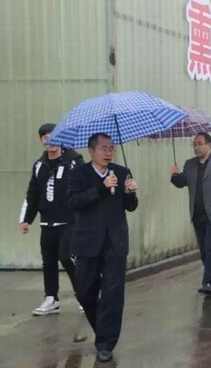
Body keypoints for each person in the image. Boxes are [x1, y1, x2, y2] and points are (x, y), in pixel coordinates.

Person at [67, 133, 138, 362]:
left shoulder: (122, 172)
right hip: (87, 242)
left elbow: (131, 206)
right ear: (91, 151)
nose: (109, 153)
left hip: (115, 242)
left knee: (113, 293)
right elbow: (73, 203)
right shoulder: (78, 174)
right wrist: (101, 187)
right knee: (84, 291)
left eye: (111, 149)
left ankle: (106, 343)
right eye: (104, 149)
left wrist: (130, 192)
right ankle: (103, 328)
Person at [19, 123, 84, 316]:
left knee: (66, 257)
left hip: (69, 220)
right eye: (45, 138)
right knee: (48, 261)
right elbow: (32, 194)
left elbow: (84, 186)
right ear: (41, 141)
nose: (50, 142)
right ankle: (51, 299)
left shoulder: (73, 161)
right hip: (47, 221)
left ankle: (84, 294)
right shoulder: (39, 165)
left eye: (54, 137)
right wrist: (26, 219)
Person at [170, 132, 211, 294]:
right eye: (194, 144)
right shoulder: (190, 164)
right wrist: (174, 175)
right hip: (197, 214)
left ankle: (207, 282)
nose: (196, 147)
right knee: (203, 252)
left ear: (209, 145)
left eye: (200, 143)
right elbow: (183, 182)